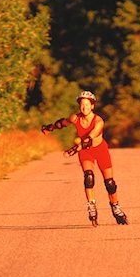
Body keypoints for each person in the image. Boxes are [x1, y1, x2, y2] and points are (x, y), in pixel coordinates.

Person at [41, 90, 128, 226]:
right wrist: (49, 128)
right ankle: (91, 206)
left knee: (109, 183)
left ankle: (115, 207)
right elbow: (62, 123)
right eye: (82, 105)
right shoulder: (75, 118)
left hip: (100, 150)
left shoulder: (98, 121)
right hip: (86, 152)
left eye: (87, 105)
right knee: (89, 177)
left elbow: (89, 139)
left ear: (92, 106)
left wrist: (73, 150)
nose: (84, 108)